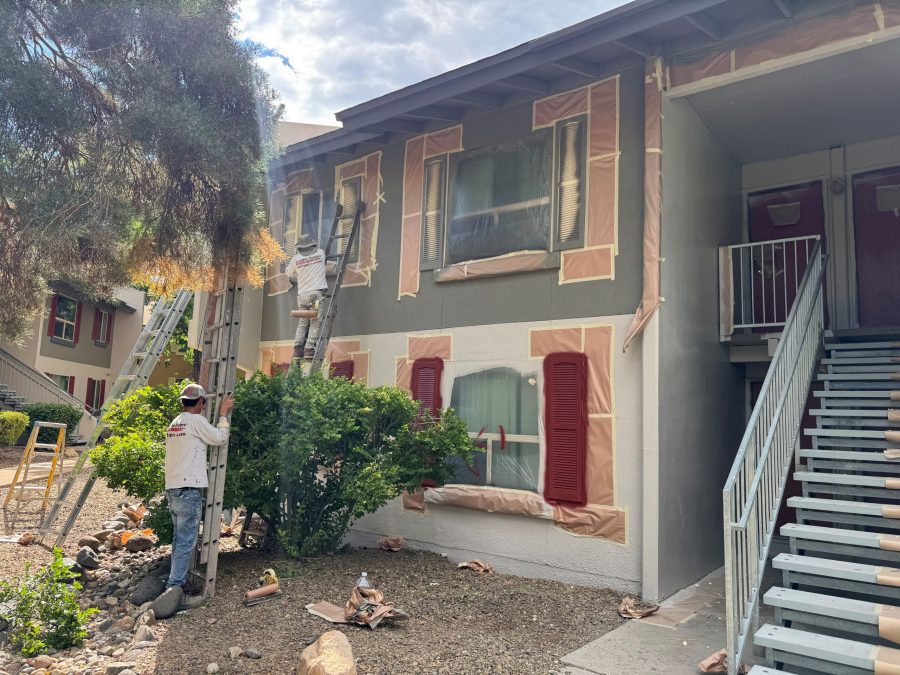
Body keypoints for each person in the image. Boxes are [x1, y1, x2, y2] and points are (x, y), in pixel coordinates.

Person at [150, 383, 233, 618]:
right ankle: (175, 590)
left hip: (174, 488)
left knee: (179, 539)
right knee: (186, 542)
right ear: (201, 403)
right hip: (189, 489)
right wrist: (224, 414)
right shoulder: (195, 421)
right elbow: (219, 438)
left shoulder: (175, 423)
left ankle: (174, 585)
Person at [287, 233, 327, 360]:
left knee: (303, 322)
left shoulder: (296, 259)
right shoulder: (320, 253)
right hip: (316, 294)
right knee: (315, 321)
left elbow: (288, 272)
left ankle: (298, 350)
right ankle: (309, 349)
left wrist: (300, 269)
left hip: (302, 295)